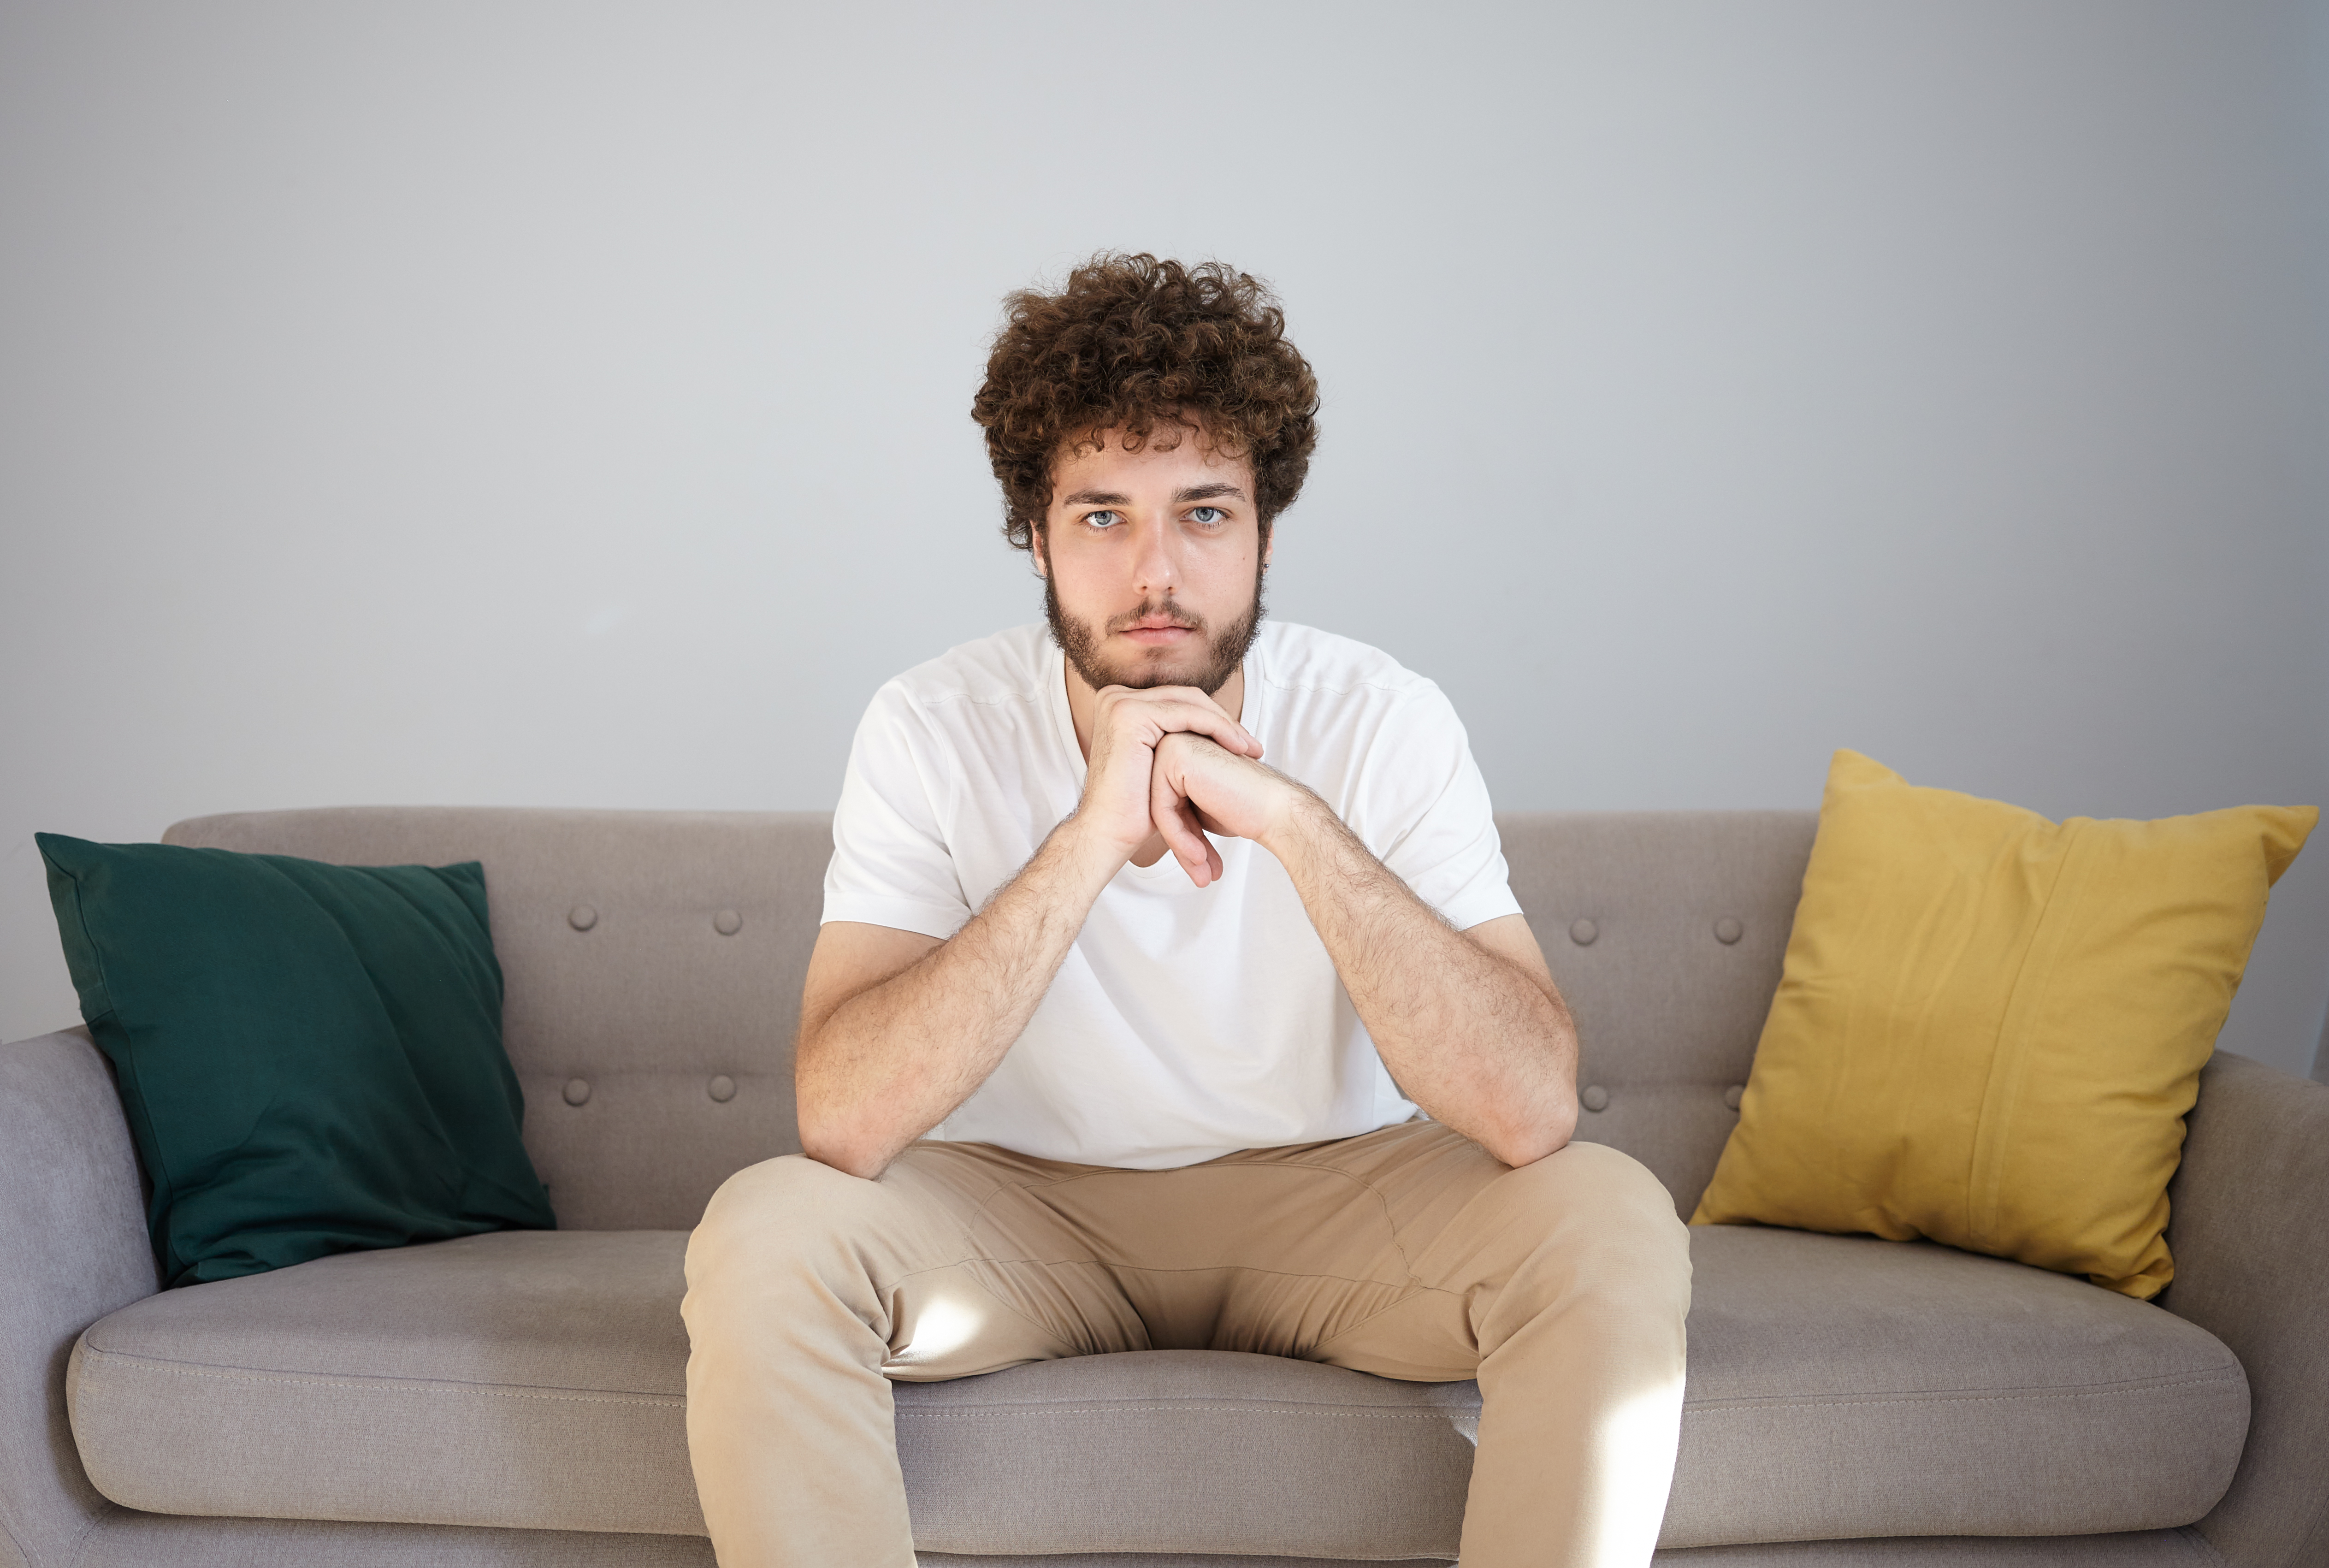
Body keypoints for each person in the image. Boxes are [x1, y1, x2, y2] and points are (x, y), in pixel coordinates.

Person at [680, 254, 1692, 1568]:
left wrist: (1295, 822)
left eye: (1204, 512)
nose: (1155, 571)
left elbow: (1528, 1106)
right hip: (1017, 1213)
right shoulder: (928, 725)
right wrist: (1091, 837)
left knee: (1609, 1212)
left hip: (1337, 1203)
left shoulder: (1385, 716)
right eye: (1102, 516)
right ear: (1035, 538)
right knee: (766, 1231)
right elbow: (845, 1116)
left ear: (1266, 529)